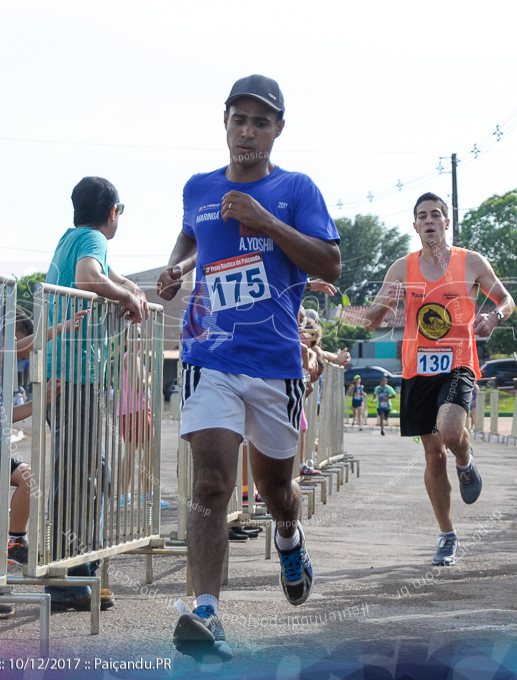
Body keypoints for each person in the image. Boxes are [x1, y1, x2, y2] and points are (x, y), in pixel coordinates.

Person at [156, 74, 341, 660]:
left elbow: (330, 264)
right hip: (209, 354)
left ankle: (289, 536)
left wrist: (266, 222)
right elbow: (191, 233)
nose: (249, 131)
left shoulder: (296, 189)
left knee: (275, 488)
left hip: (275, 362)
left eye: (262, 122)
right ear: (226, 123)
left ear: (277, 130)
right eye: (240, 119)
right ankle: (206, 612)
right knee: (211, 481)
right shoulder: (199, 187)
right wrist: (176, 268)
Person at [363, 192, 514, 567]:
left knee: (449, 432)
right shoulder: (401, 268)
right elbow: (371, 319)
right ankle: (447, 534)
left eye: (436, 215)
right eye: (421, 216)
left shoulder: (470, 262)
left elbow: (505, 299)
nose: (429, 221)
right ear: (415, 226)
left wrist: (493, 318)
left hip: (458, 362)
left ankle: (465, 456)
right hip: (417, 370)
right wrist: (370, 310)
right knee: (432, 456)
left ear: (447, 222)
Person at [43, 176, 148, 612]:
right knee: (77, 479)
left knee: (97, 475)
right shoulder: (91, 241)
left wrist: (130, 291)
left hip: (67, 377)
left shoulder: (71, 238)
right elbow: (90, 279)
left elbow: (106, 275)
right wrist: (129, 297)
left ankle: (87, 570)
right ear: (112, 213)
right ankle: (67, 577)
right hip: (76, 379)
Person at [0, 305, 81, 620]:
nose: (20, 355)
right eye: (18, 341)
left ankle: (14, 540)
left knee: (27, 479)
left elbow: (6, 415)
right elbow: (21, 347)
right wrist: (59, 327)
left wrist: (41, 401)